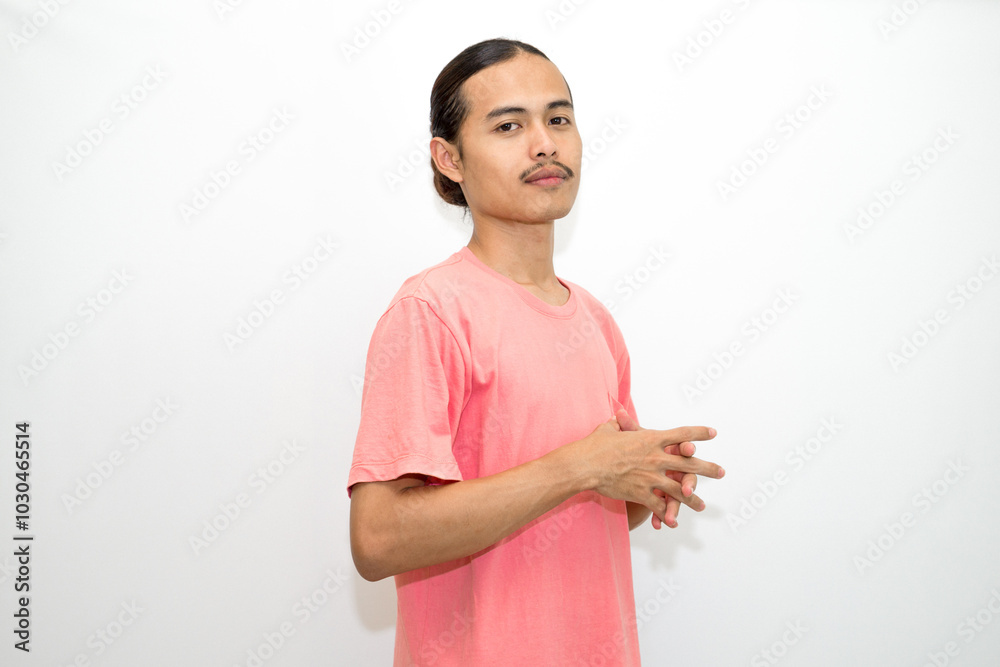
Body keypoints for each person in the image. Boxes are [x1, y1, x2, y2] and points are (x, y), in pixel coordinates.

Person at [347, 37, 725, 666]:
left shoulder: (596, 322)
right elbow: (378, 539)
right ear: (450, 159)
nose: (545, 142)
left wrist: (637, 481)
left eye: (558, 118)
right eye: (508, 125)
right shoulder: (432, 312)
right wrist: (580, 467)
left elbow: (572, 515)